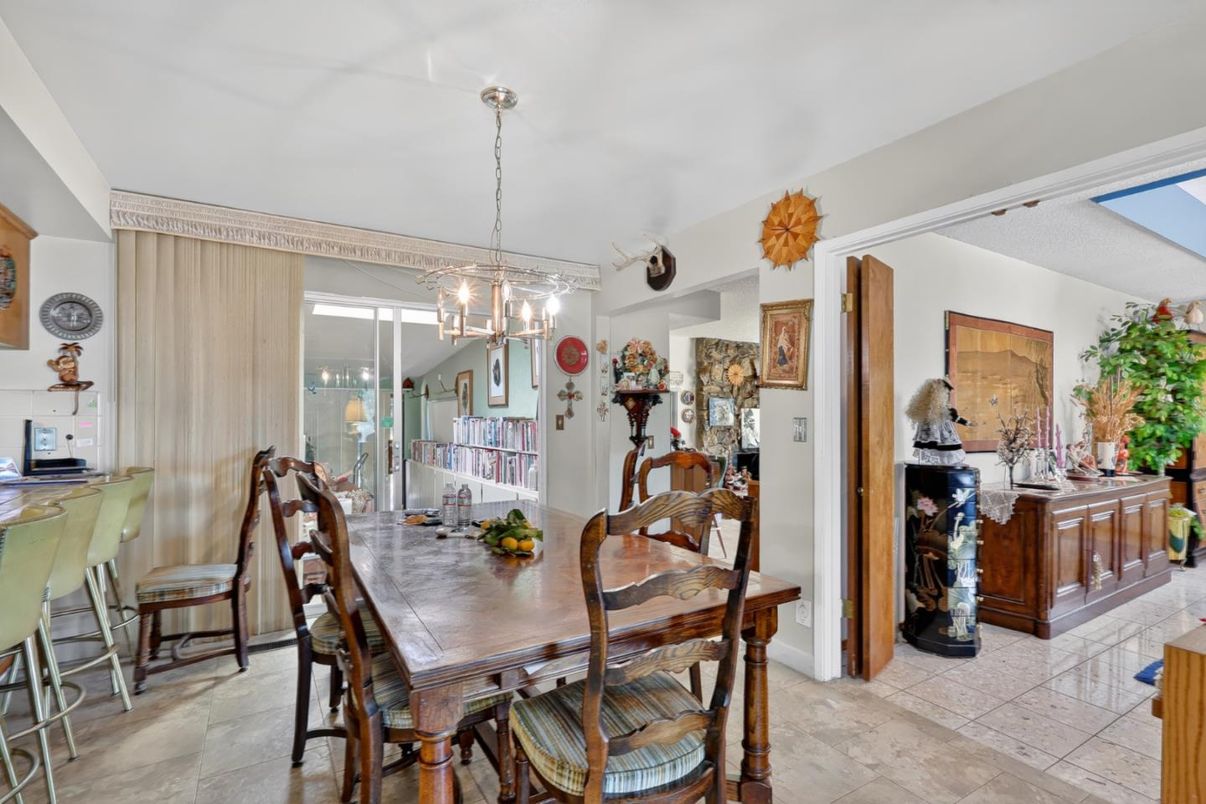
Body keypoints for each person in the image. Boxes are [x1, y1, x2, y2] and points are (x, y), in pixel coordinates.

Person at [906, 377, 972, 466]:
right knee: (940, 453)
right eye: (946, 393)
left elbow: (954, 417)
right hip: (938, 436)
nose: (948, 395)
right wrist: (966, 422)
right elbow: (954, 417)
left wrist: (966, 422)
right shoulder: (936, 410)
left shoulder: (926, 409)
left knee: (937, 454)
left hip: (933, 436)